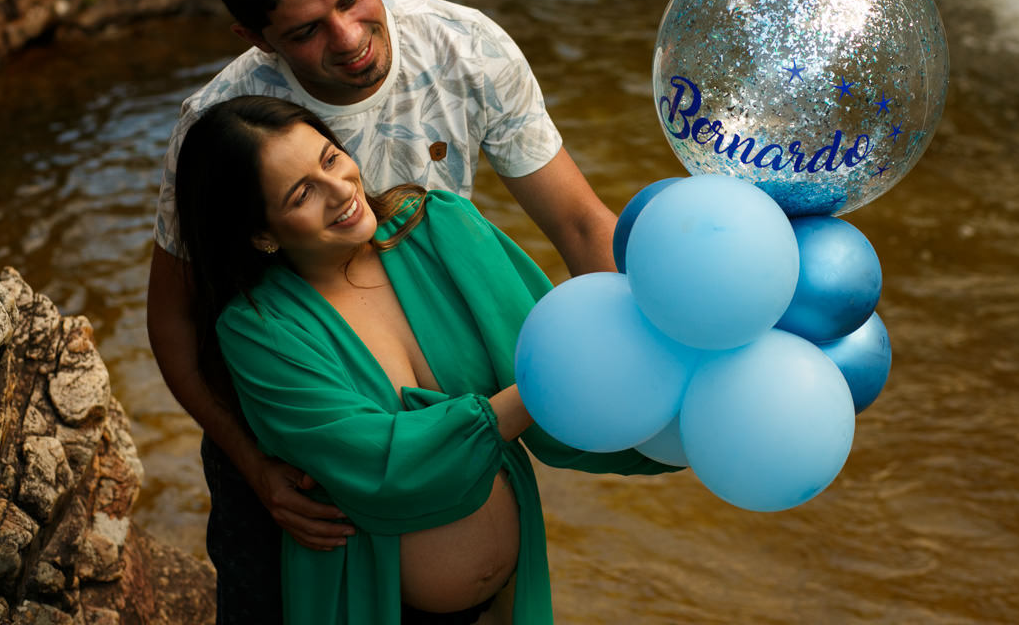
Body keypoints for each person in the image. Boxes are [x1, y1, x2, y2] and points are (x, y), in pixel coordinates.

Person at [146, 0, 621, 622]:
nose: (347, 38)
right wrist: (256, 468)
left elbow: (584, 227)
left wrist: (640, 364)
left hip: (431, 364)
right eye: (304, 30)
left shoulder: (464, 47)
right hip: (296, 425)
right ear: (256, 36)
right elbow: (174, 323)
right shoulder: (216, 130)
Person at [173, 95, 675, 623]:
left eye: (330, 159)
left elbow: (551, 384)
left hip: (505, 599)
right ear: (261, 234)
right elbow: (379, 463)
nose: (340, 189)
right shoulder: (259, 330)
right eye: (302, 194)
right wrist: (536, 389)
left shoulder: (440, 228)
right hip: (370, 602)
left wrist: (665, 430)